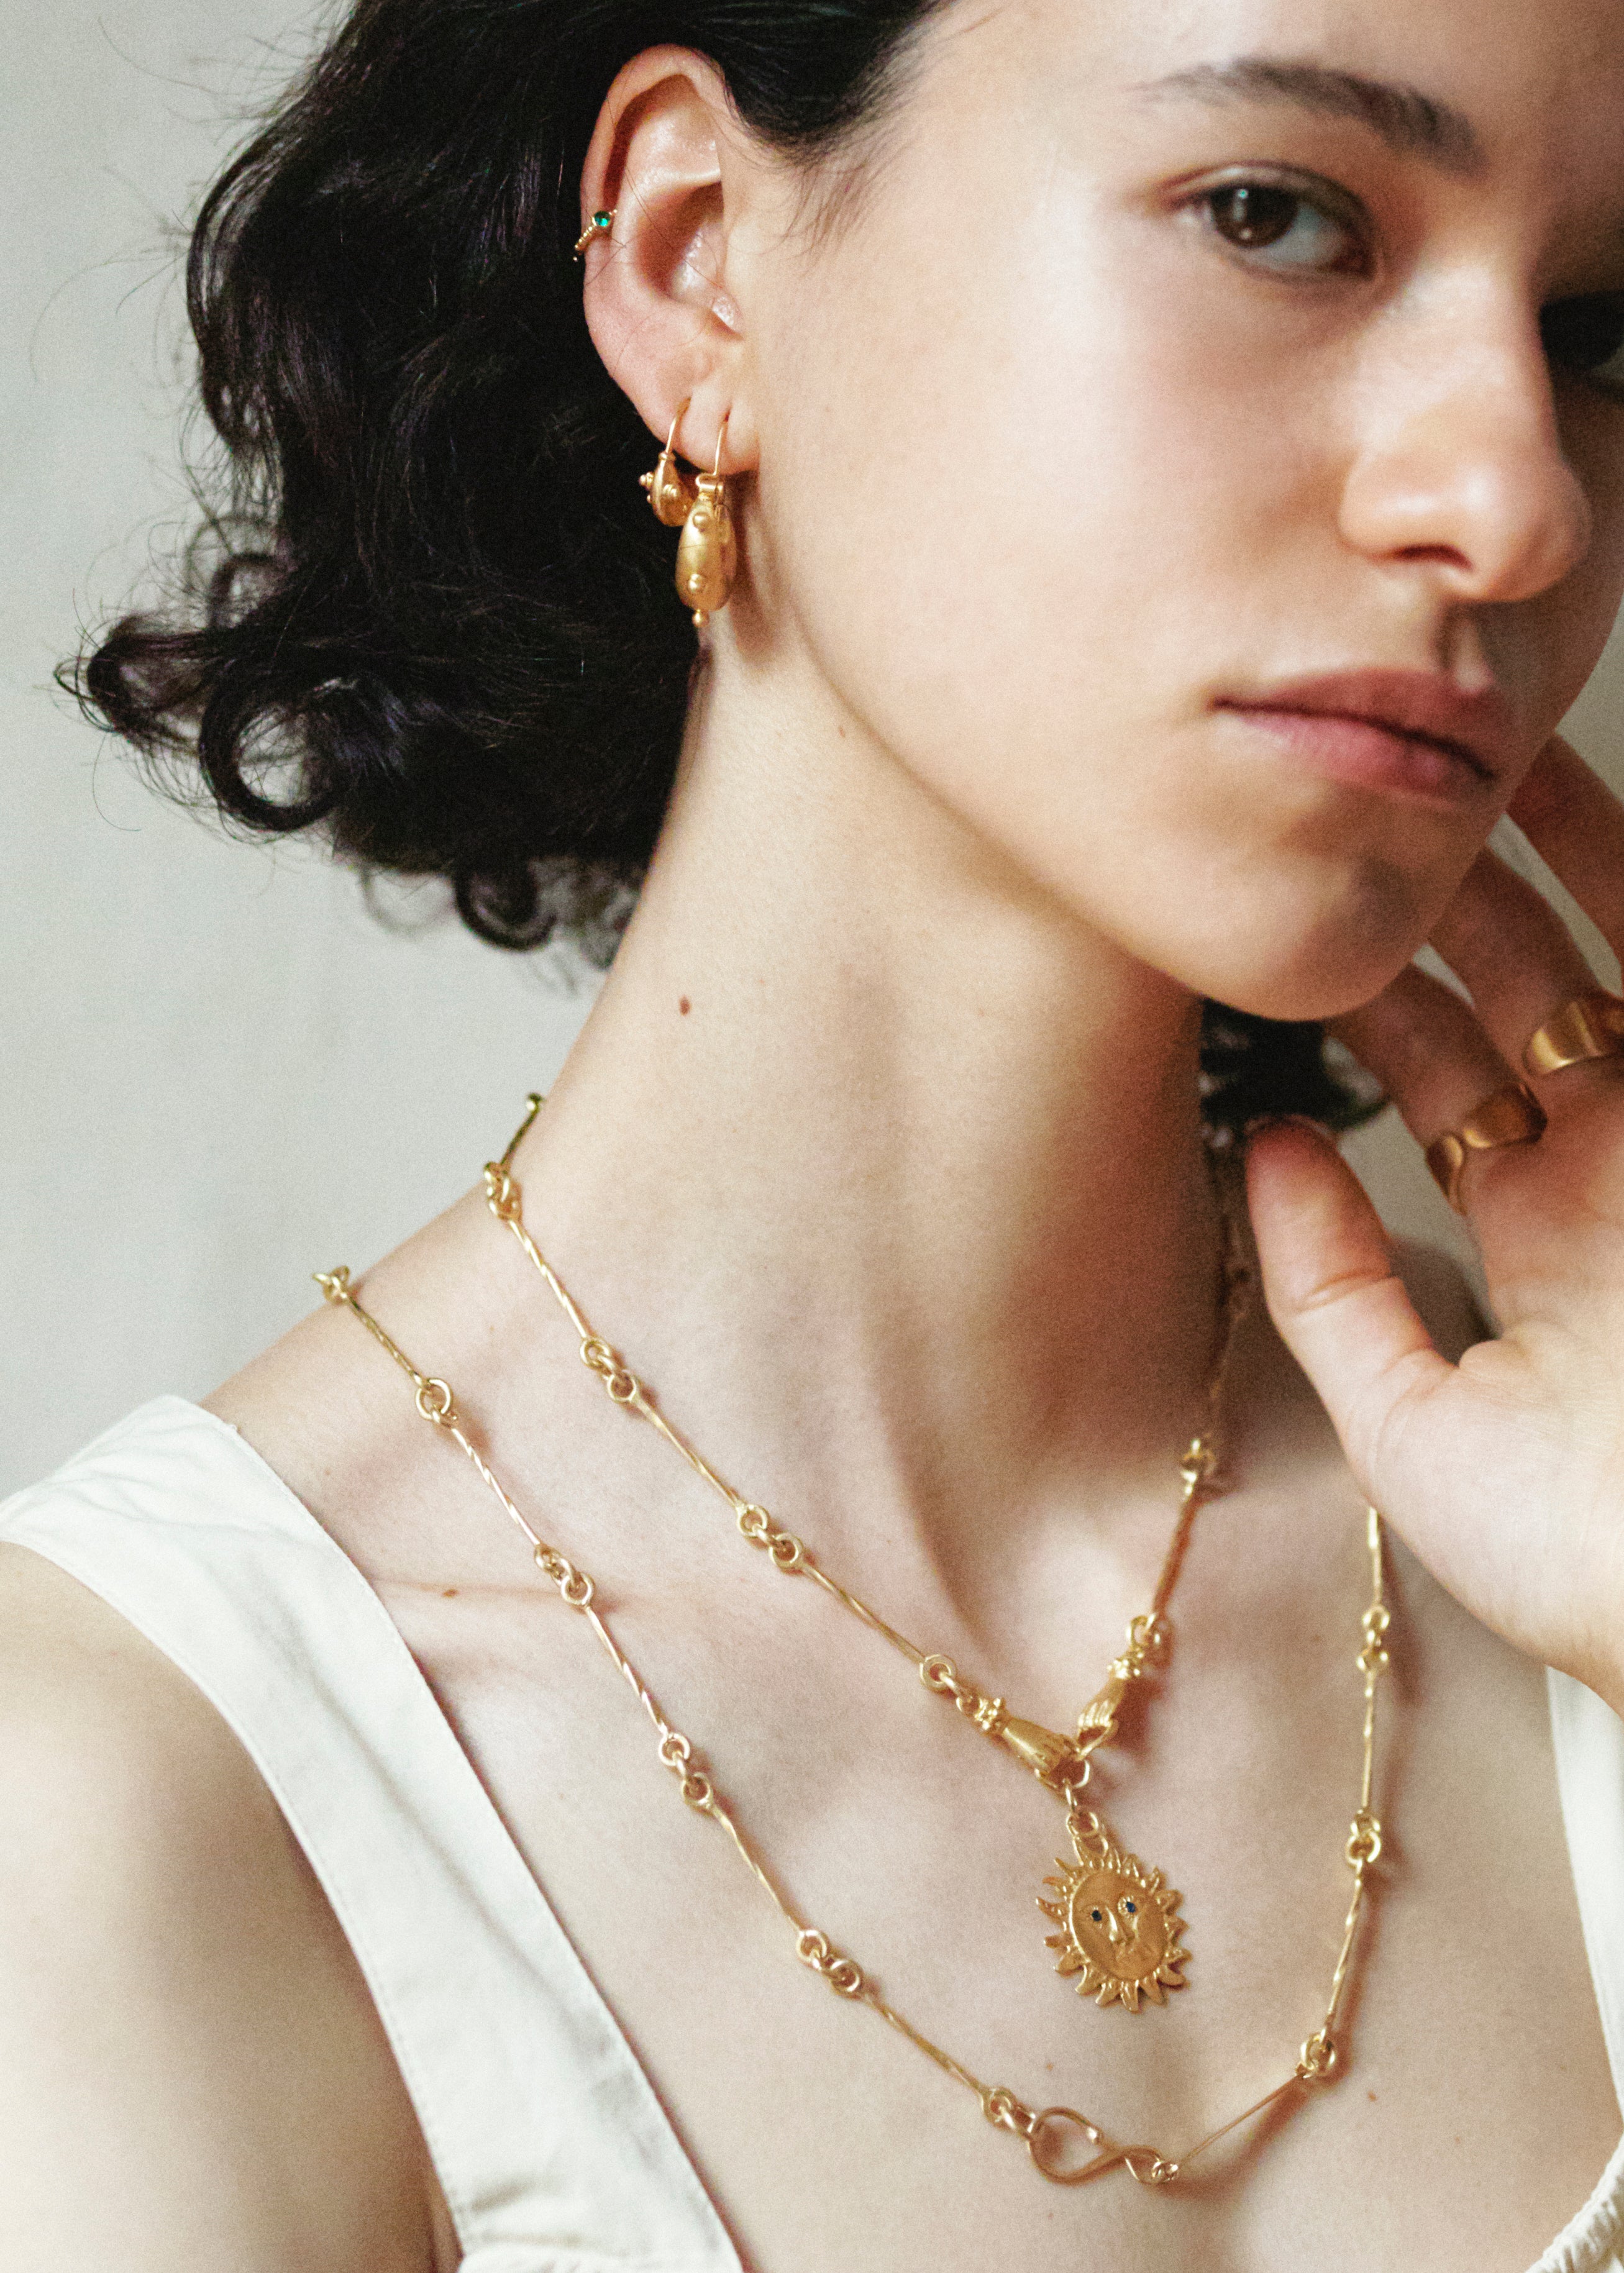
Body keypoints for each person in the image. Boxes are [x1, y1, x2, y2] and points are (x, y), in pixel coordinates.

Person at [7, 0, 1624, 2263]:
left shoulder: (1577, 1543)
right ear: (698, 260)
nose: (1518, 501)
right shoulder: (139, 1811)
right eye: (1278, 215)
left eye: (1601, 336)